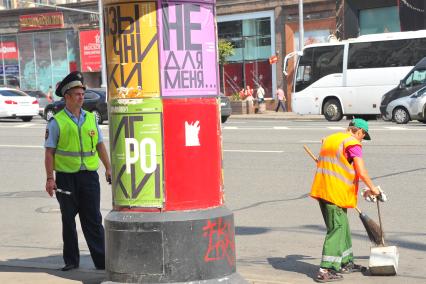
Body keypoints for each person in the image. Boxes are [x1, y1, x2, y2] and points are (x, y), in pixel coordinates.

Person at [44, 71, 112, 271]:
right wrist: (50, 178)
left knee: (93, 220)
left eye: (83, 93)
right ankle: (71, 261)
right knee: (68, 220)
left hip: (89, 177)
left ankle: (102, 261)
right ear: (67, 97)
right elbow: (49, 153)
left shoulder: (91, 118)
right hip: (66, 178)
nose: (82, 97)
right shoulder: (56, 121)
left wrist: (108, 168)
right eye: (77, 94)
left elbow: (100, 146)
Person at [310, 118, 380, 282]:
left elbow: (336, 164)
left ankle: (345, 262)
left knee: (343, 227)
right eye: (363, 135)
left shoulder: (330, 139)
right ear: (359, 131)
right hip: (334, 193)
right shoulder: (352, 143)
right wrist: (373, 188)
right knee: (337, 228)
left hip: (326, 189)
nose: (362, 139)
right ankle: (325, 269)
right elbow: (361, 171)